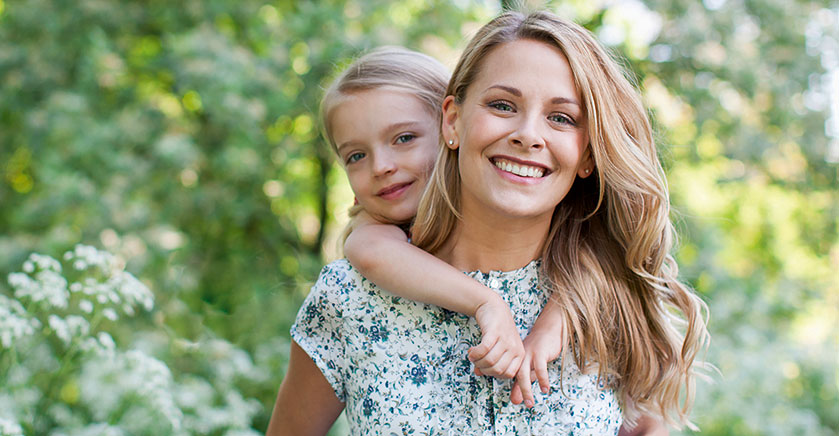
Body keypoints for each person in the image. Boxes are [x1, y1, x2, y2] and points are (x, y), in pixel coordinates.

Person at [268, 10, 709, 436]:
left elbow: (648, 419)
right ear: (453, 121)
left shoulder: (607, 298)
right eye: (502, 105)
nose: (528, 134)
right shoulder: (352, 295)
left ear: (588, 154)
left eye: (561, 117)